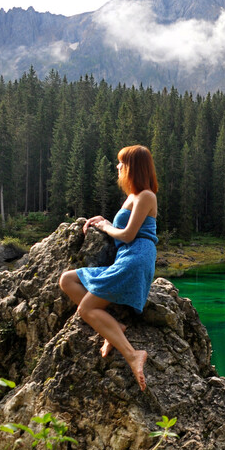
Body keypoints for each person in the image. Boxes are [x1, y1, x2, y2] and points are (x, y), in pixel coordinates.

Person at [59, 145, 159, 391]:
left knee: (86, 309)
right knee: (67, 281)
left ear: (133, 167)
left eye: (121, 163)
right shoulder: (132, 196)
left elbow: (127, 235)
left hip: (136, 259)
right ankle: (114, 328)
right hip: (125, 258)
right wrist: (103, 221)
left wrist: (104, 226)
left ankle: (132, 353)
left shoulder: (147, 196)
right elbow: (122, 230)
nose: (118, 167)